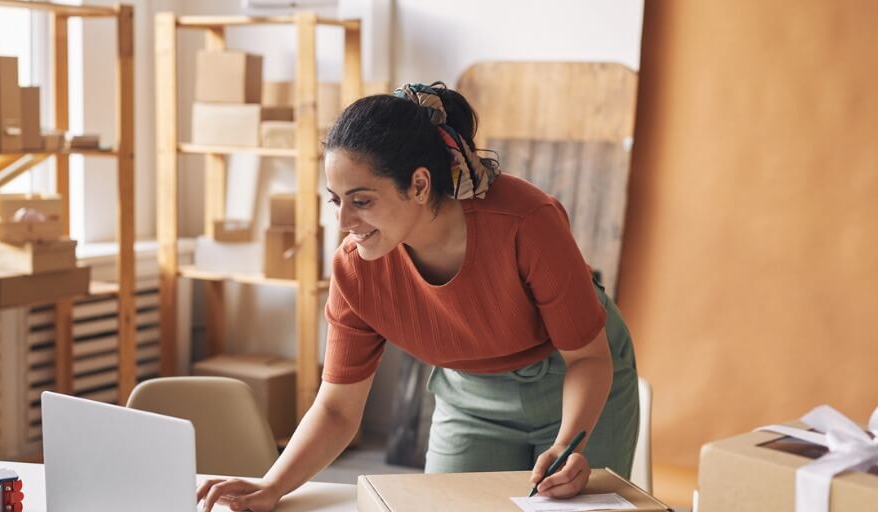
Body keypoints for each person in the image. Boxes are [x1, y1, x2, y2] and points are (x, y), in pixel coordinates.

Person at [197, 82, 639, 512]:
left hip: (574, 374)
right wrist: (273, 485)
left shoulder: (525, 221)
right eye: (335, 201)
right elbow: (336, 408)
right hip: (470, 396)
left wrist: (568, 445)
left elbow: (587, 358)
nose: (344, 220)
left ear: (420, 185)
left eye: (362, 201)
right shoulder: (356, 268)